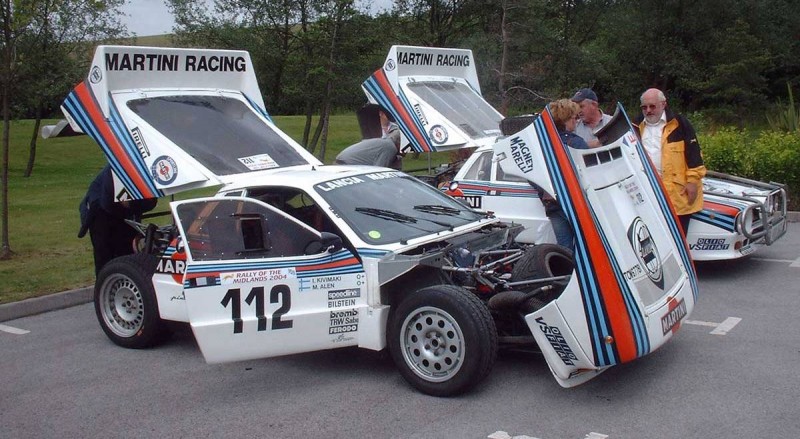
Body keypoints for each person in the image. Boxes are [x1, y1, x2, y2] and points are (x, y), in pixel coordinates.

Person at [633, 88, 706, 235]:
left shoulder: (680, 124)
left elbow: (694, 156)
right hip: (648, 192)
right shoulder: (634, 126)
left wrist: (692, 181)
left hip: (677, 193)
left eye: (652, 106)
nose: (648, 110)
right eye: (644, 107)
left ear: (663, 104)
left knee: (678, 237)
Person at [78, 165, 157, 275]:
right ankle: (104, 287)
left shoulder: (147, 171)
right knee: (105, 258)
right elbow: (115, 205)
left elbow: (150, 202)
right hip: (101, 212)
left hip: (124, 211)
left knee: (128, 257)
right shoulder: (117, 171)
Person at [543, 99, 589, 248]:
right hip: (576, 204)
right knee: (585, 247)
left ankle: (568, 271)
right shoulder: (576, 143)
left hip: (553, 206)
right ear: (566, 119)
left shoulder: (542, 143)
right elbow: (588, 173)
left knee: (565, 249)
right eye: (574, 118)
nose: (576, 122)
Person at [334, 124, 404, 170]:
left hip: (343, 161)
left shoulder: (385, 143)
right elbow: (379, 171)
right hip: (346, 166)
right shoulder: (390, 147)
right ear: (400, 143)